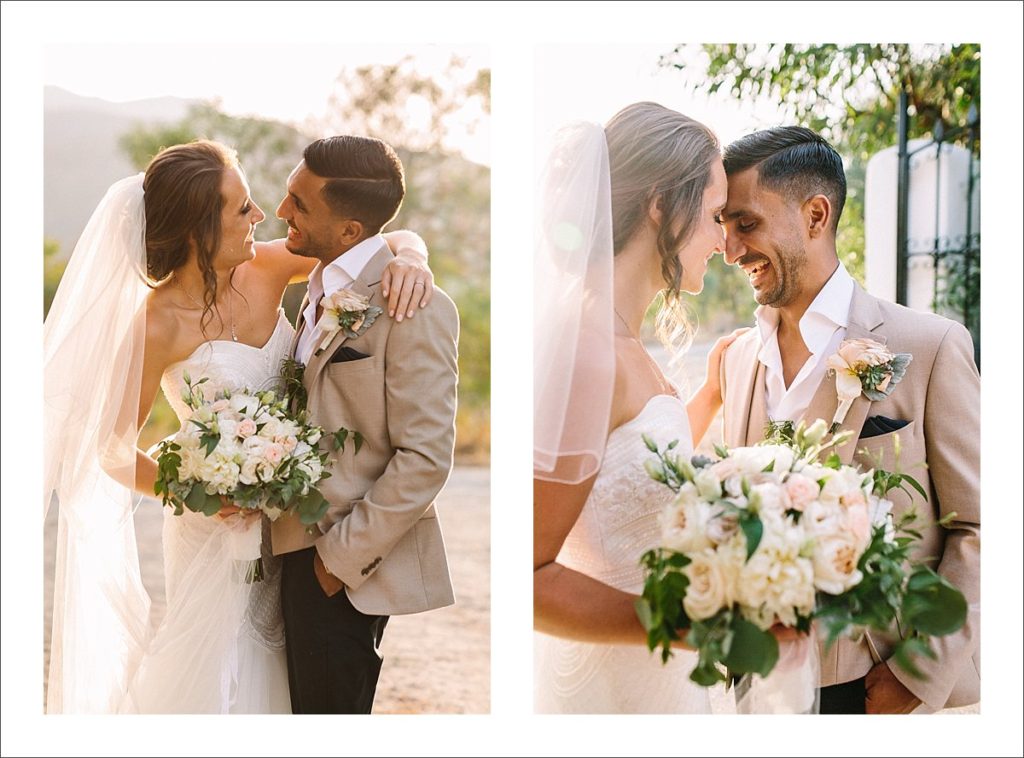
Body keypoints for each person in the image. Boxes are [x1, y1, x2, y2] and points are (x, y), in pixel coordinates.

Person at [43, 139, 435, 713]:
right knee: (222, 670)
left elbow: (377, 239)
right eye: (242, 208)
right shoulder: (155, 325)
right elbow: (110, 448)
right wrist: (202, 496)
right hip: (214, 534)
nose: (262, 216)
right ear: (201, 228)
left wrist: (412, 257)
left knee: (291, 667)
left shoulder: (269, 266)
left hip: (294, 522)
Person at [717, 126, 980, 714]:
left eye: (747, 223)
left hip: (880, 691)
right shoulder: (736, 359)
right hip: (757, 692)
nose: (730, 250)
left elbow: (982, 529)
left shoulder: (931, 346)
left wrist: (917, 676)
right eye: (723, 227)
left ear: (815, 215)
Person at [532, 102, 748, 713]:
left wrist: (705, 398)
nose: (724, 242)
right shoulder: (589, 352)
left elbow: (625, 475)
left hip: (658, 676)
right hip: (619, 683)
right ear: (660, 204)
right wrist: (689, 623)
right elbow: (529, 576)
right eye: (714, 216)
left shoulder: (622, 343)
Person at [269, 135, 460, 714]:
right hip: (285, 548)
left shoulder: (413, 305)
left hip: (338, 563)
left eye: (299, 203)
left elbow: (425, 458)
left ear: (351, 231)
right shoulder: (317, 286)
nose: (282, 214)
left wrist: (336, 563)